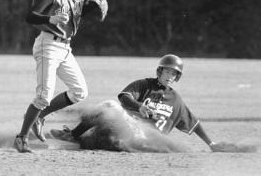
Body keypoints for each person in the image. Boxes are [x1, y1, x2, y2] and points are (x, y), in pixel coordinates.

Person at [14, 0, 108, 153]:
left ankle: (40, 116)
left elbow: (76, 14)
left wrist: (92, 7)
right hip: (47, 45)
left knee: (80, 91)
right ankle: (21, 137)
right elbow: (30, 16)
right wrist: (50, 19)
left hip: (65, 47)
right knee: (44, 95)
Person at [50, 54, 221, 152]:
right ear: (160, 71)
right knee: (100, 131)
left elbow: (195, 124)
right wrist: (139, 106)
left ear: (177, 78)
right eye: (167, 71)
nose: (170, 76)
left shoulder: (176, 100)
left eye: (174, 74)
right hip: (128, 132)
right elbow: (124, 97)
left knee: (108, 106)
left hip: (147, 140)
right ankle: (76, 138)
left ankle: (72, 135)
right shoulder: (144, 85)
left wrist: (211, 144)